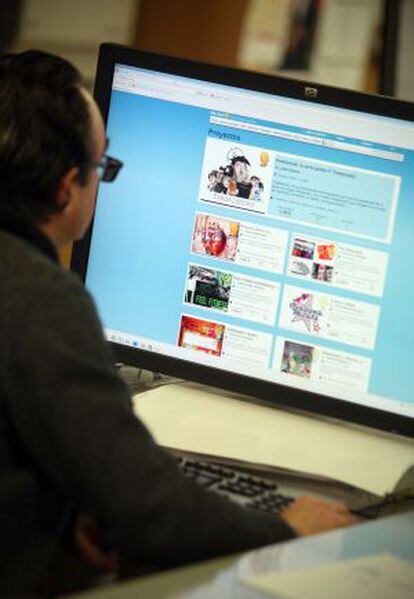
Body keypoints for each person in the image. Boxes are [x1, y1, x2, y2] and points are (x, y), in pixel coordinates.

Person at [0, 51, 357, 598]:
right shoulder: (39, 298)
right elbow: (148, 507)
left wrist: (64, 515)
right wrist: (286, 530)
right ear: (67, 187)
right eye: (104, 167)